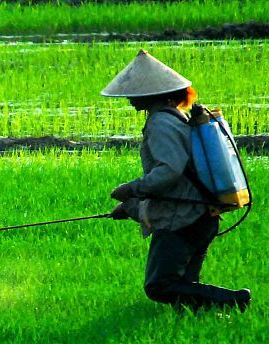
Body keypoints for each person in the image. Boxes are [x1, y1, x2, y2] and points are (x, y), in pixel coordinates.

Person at [101, 50, 251, 313]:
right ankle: (202, 323)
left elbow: (169, 172)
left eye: (134, 91)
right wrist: (130, 207)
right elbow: (177, 179)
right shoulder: (174, 117)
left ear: (151, 94)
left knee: (160, 285)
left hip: (183, 219)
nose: (128, 97)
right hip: (201, 215)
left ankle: (233, 301)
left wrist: (131, 189)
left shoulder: (160, 123)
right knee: (184, 286)